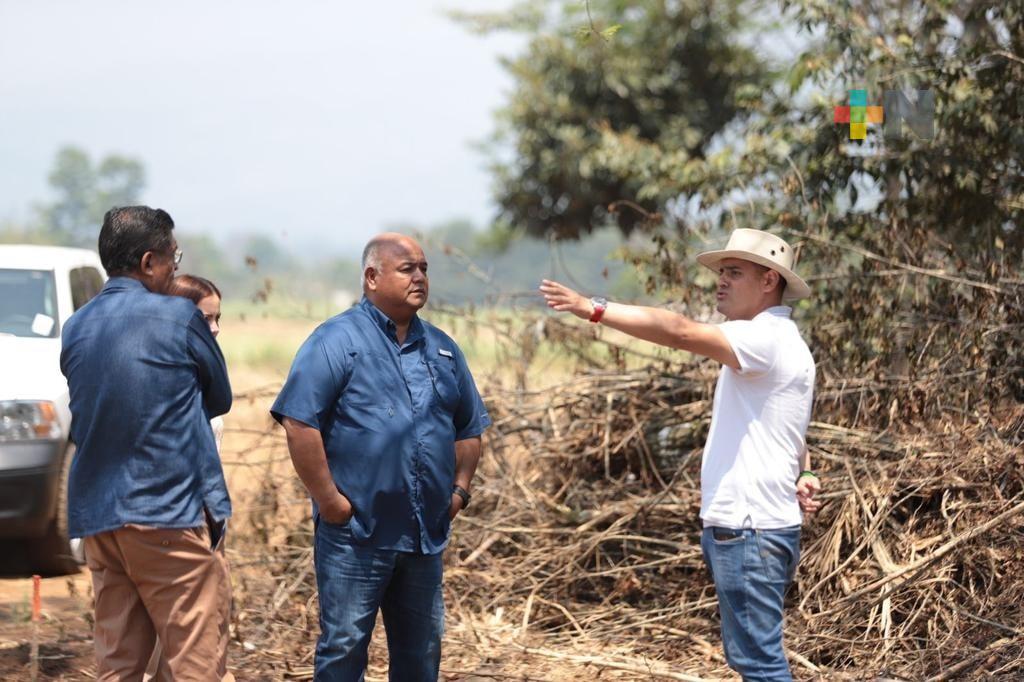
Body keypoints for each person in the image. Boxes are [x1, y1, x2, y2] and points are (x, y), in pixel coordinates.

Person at [540, 228, 821, 681]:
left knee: (760, 664)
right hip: (757, 527)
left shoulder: (763, 341)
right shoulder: (782, 341)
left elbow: (677, 330)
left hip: (748, 530)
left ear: (769, 281)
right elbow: (786, 424)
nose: (720, 282)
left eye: (734, 272)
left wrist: (592, 307)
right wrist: (804, 470)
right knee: (755, 658)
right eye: (721, 272)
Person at [270, 232, 491, 681]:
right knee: (344, 648)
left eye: (424, 268)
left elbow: (469, 428)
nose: (420, 277)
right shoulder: (336, 340)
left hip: (424, 536)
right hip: (357, 535)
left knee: (421, 652)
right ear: (372, 277)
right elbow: (299, 422)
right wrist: (331, 502)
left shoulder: (443, 349)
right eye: (407, 268)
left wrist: (459, 493)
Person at [60, 206, 234, 681]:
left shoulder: (77, 325)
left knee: (118, 663)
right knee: (194, 660)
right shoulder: (180, 317)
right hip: (165, 513)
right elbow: (219, 396)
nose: (175, 269)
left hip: (99, 518)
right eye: (173, 259)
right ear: (148, 262)